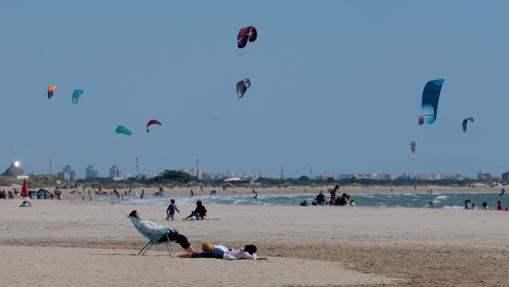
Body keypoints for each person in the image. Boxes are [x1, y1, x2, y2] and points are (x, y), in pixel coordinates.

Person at [128, 210, 195, 253]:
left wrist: (168, 228)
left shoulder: (143, 222)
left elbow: (155, 229)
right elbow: (152, 230)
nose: (140, 214)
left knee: (180, 237)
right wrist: (165, 230)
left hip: (161, 235)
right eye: (138, 214)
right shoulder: (142, 224)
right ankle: (192, 252)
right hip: (160, 237)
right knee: (181, 237)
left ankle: (191, 252)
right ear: (136, 217)